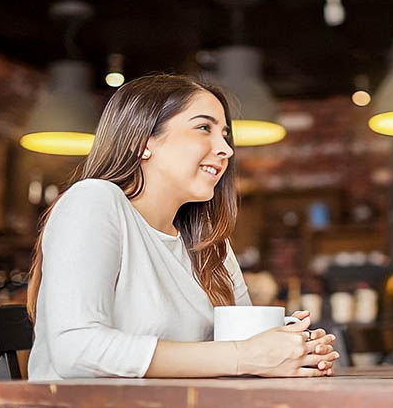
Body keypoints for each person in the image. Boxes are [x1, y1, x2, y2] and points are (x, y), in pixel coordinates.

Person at [26, 75, 339, 380]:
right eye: (204, 128)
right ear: (141, 141)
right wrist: (247, 355)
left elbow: (244, 350)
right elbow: (76, 350)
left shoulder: (209, 242)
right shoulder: (94, 200)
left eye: (226, 136)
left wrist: (293, 349)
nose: (226, 150)